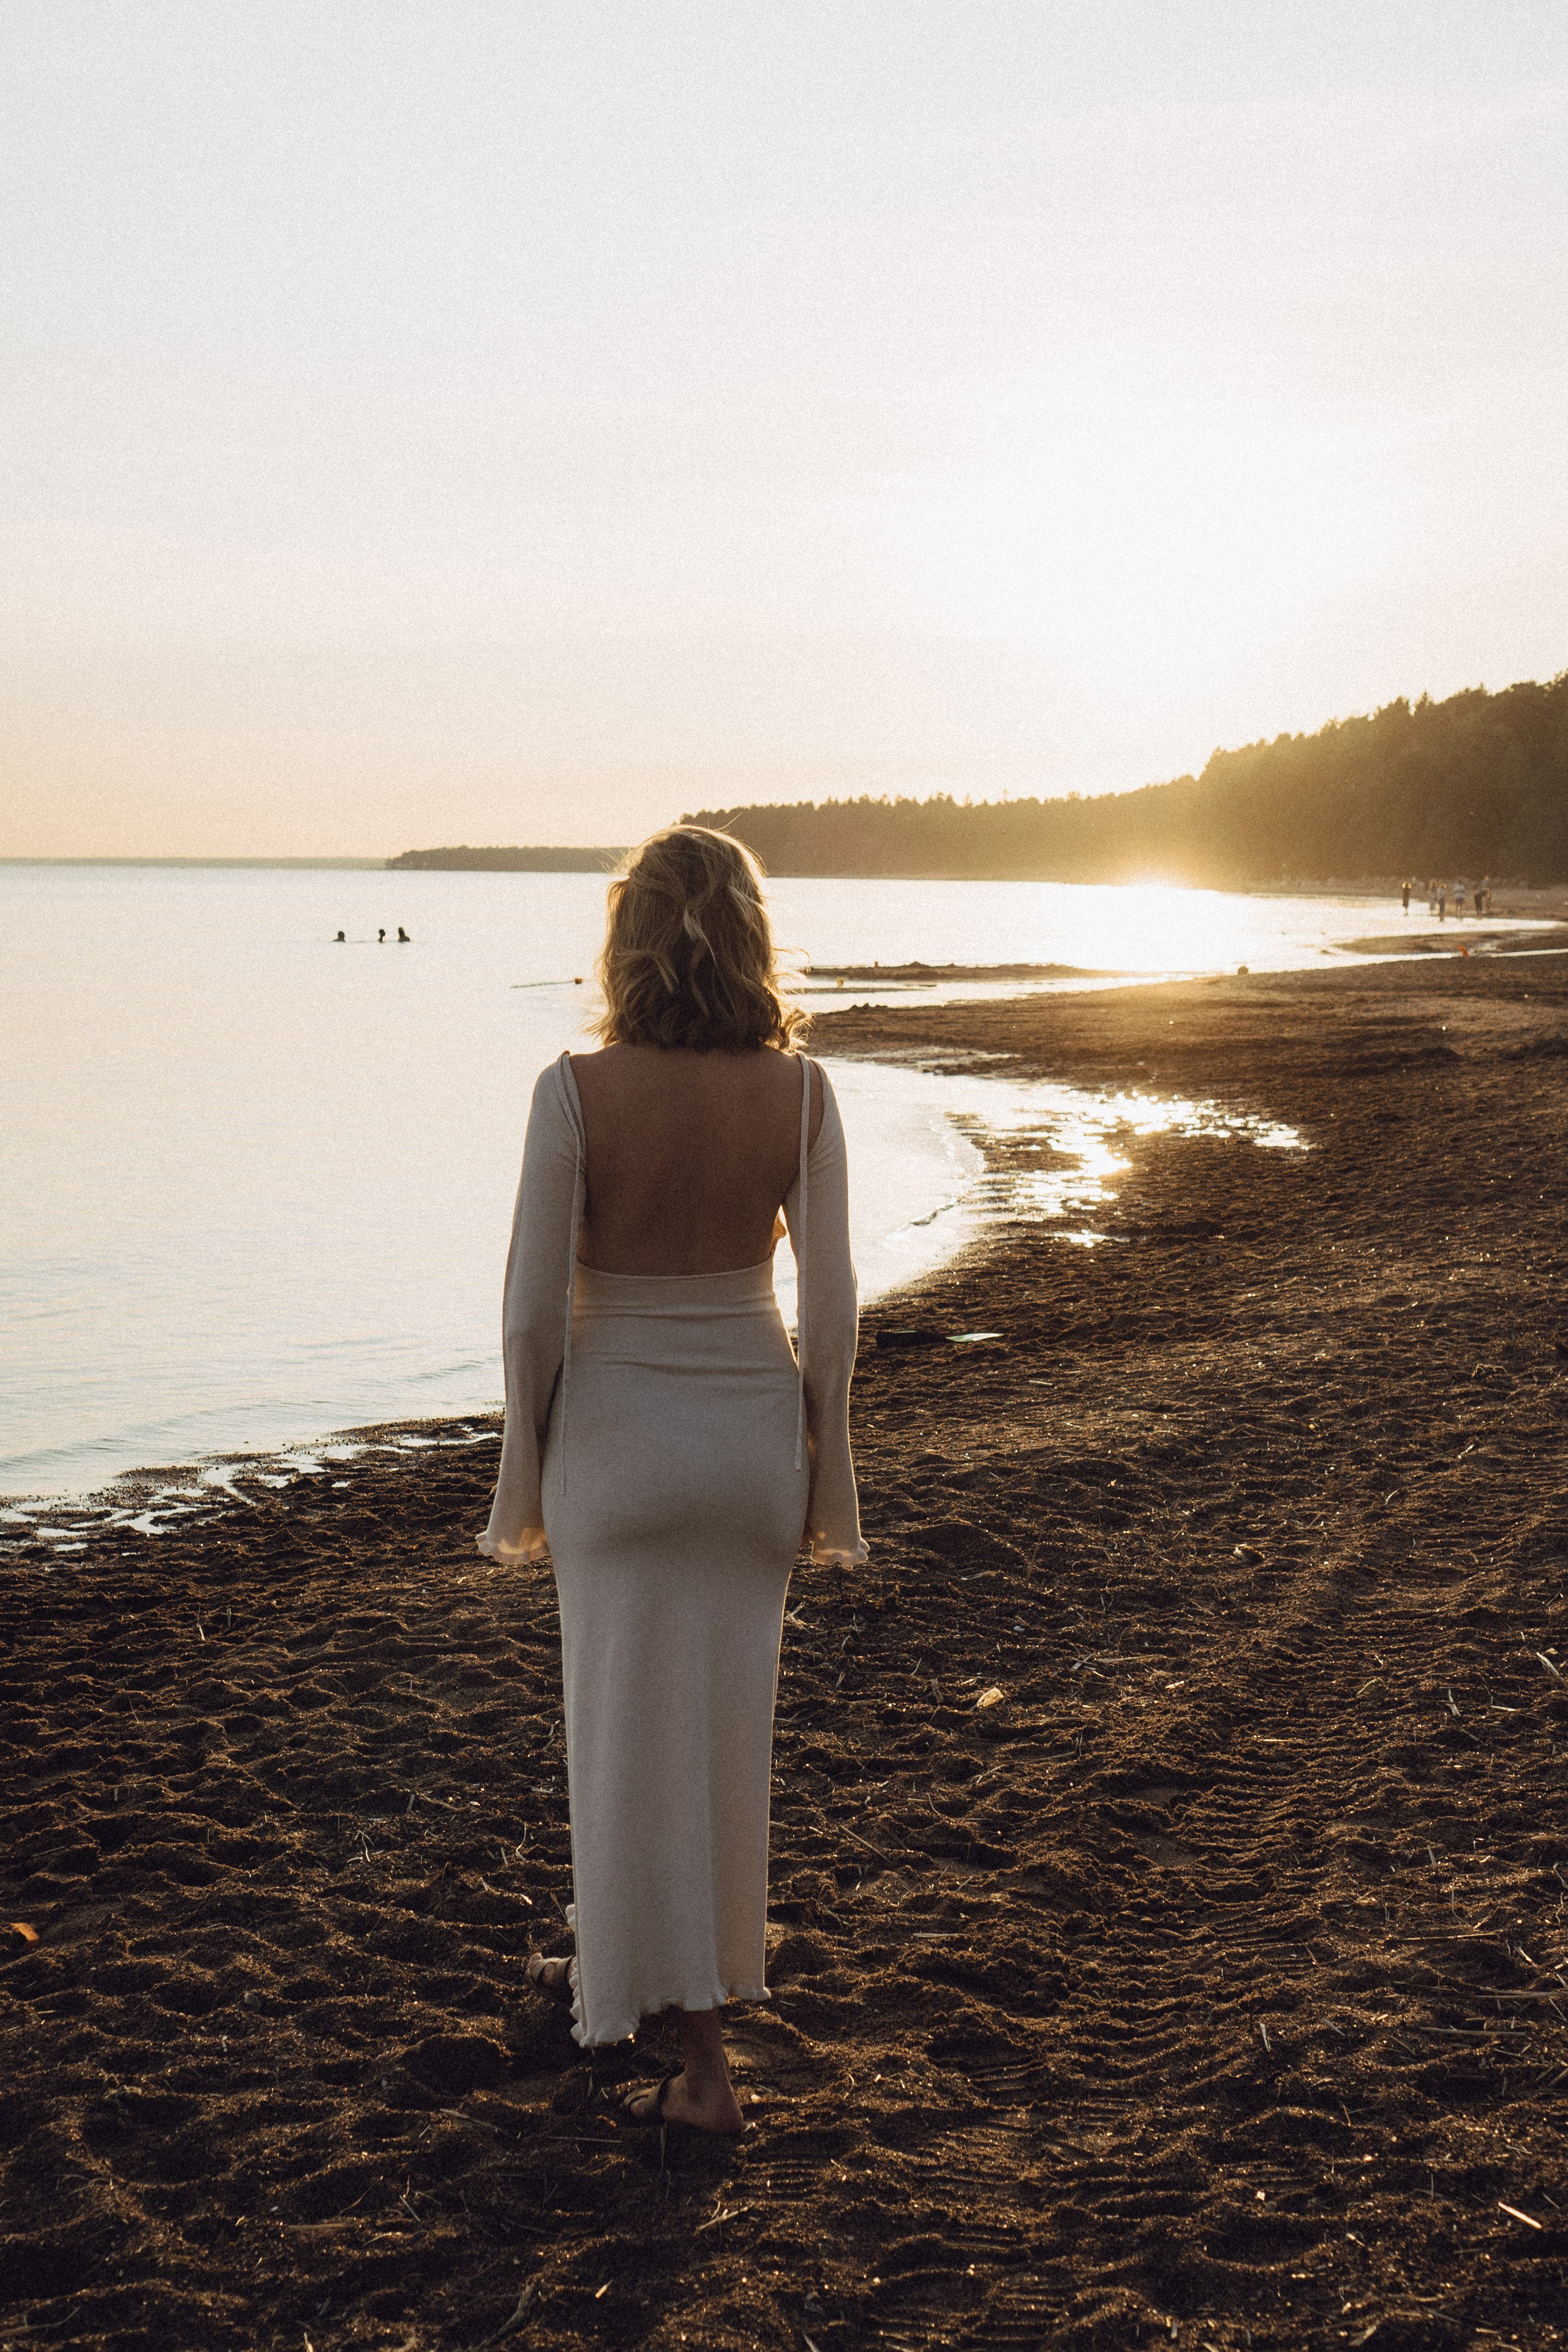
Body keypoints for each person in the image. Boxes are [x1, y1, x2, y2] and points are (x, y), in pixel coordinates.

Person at [478, 825, 865, 2137]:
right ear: (753, 938)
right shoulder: (802, 1096)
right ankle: (621, 1966)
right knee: (716, 1744)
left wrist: (523, 1475)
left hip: (620, 1449)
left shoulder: (572, 1091)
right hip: (749, 1446)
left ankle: (701, 2073)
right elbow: (833, 1307)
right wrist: (826, 1474)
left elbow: (532, 1315)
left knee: (620, 1732)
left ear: (626, 939)